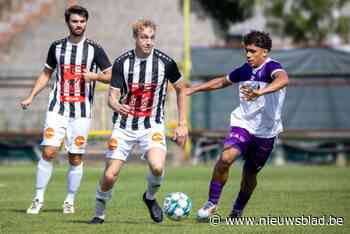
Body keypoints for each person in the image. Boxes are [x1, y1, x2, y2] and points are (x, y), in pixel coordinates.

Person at [89, 19, 188, 224]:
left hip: (152, 125)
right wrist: (116, 105)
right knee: (110, 175)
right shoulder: (122, 62)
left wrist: (182, 123)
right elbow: (112, 97)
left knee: (158, 166)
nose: (148, 42)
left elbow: (182, 89)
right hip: (124, 127)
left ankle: (150, 198)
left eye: (152, 37)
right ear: (135, 37)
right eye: (144, 37)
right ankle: (99, 214)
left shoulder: (166, 62)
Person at [186, 30, 289, 219]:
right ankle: (211, 203)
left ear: (264, 52)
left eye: (252, 51)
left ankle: (238, 209)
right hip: (243, 123)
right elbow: (222, 82)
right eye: (246, 51)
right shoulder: (244, 69)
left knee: (250, 174)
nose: (248, 55)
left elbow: (283, 79)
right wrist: (195, 88)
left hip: (266, 131)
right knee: (226, 158)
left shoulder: (273, 67)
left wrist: (261, 92)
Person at [21, 5, 112, 214]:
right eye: (75, 21)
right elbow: (46, 74)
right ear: (68, 23)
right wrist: (31, 96)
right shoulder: (56, 47)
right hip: (57, 108)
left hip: (81, 111)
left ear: (86, 22)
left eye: (82, 21)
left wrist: (95, 76)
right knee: (49, 151)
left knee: (75, 157)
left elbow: (111, 75)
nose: (78, 25)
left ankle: (69, 200)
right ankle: (38, 198)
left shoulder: (94, 49)